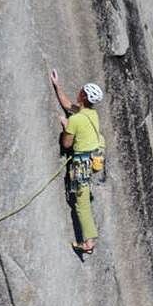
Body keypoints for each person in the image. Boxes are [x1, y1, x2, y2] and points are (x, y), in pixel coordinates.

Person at [50, 69, 105, 255]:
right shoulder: (91, 115)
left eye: (80, 90)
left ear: (82, 94)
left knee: (82, 204)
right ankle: (88, 239)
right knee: (84, 198)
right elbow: (68, 105)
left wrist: (66, 127)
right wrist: (57, 86)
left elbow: (67, 143)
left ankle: (88, 242)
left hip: (81, 165)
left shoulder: (76, 120)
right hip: (91, 160)